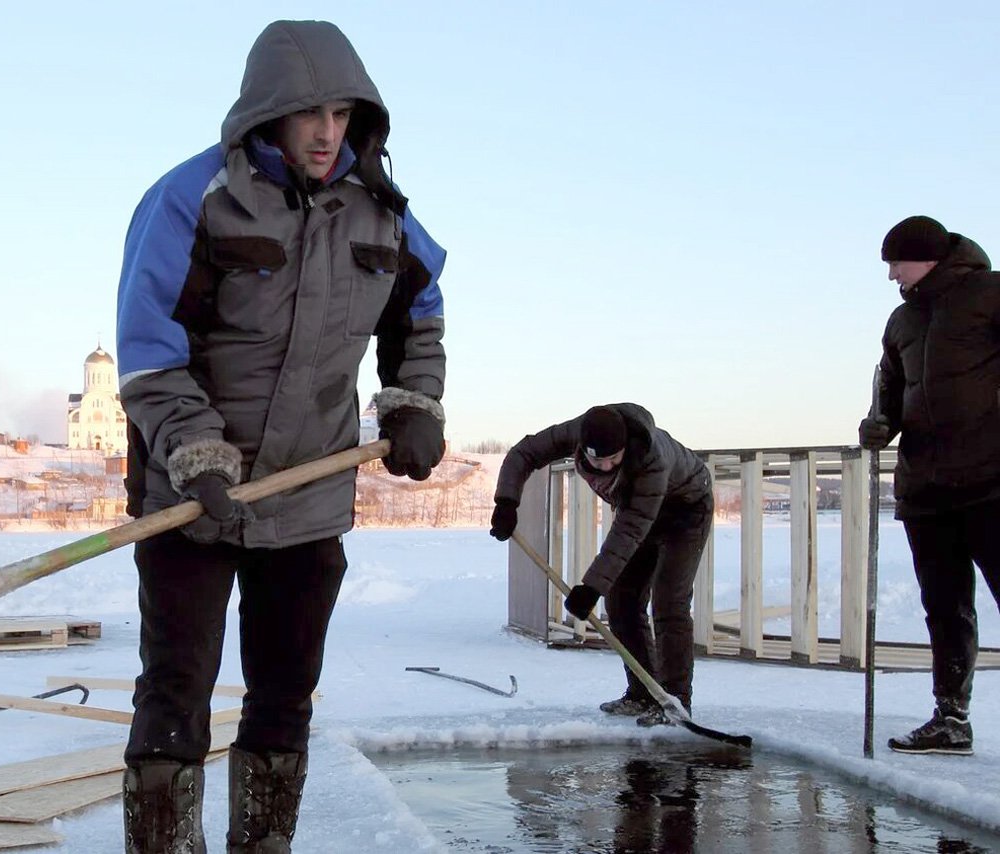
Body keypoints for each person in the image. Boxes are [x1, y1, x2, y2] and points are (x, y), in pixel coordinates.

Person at [114, 19, 447, 852]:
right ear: (267, 114)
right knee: (176, 691)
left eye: (341, 113)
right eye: (309, 115)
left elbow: (422, 316)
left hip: (309, 497)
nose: (326, 133)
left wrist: (412, 403)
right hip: (193, 499)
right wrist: (197, 455)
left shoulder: (385, 216)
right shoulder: (193, 199)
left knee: (285, 694)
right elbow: (150, 348)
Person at [859, 215, 1000, 757]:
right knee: (945, 607)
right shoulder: (901, 321)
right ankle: (951, 717)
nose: (891, 274)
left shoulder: (990, 294)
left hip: (991, 483)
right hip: (926, 491)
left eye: (896, 262)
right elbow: (888, 391)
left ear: (927, 257)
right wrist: (877, 424)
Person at [489, 404, 713, 727]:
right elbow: (524, 452)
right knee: (621, 600)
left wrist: (592, 585)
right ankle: (642, 694)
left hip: (686, 510)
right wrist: (507, 501)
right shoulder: (577, 431)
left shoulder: (652, 459)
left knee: (670, 601)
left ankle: (675, 703)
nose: (606, 466)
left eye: (613, 459)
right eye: (597, 461)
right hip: (638, 512)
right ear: (582, 448)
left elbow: (631, 528)